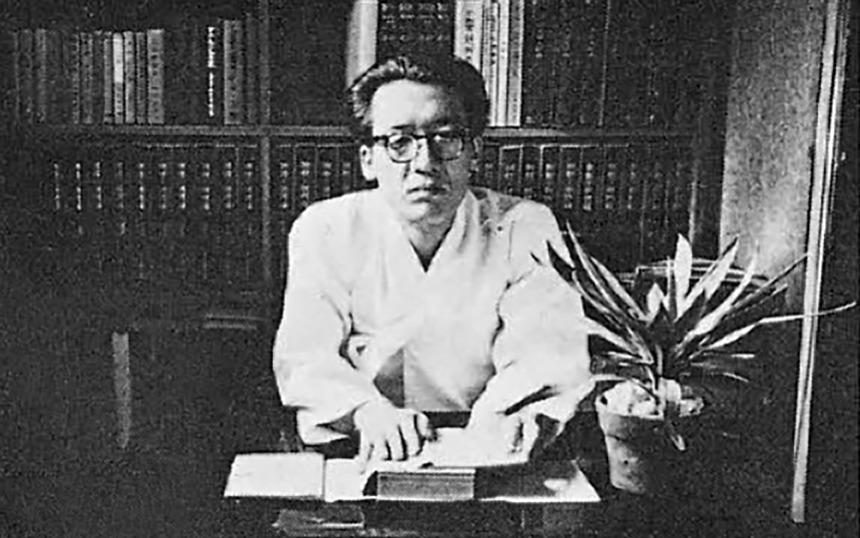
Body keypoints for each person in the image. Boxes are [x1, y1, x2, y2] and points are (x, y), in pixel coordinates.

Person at [273, 55, 592, 466]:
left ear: (474, 151)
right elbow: (305, 355)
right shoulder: (326, 228)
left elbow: (545, 352)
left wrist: (498, 422)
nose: (425, 163)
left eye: (446, 138)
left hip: (487, 438)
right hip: (356, 435)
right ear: (368, 159)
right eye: (399, 142)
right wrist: (368, 412)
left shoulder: (525, 226)